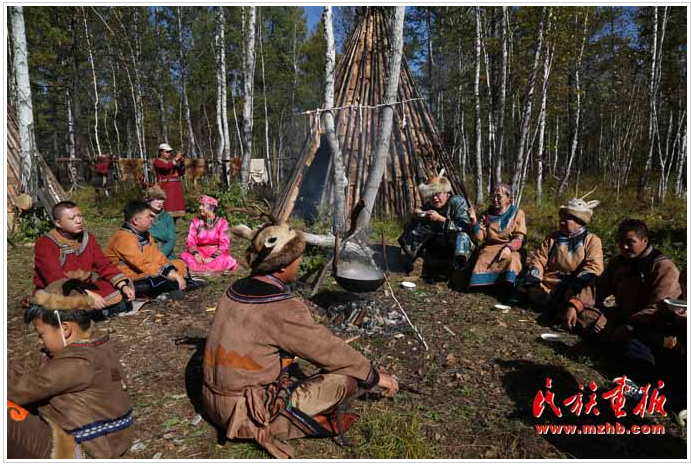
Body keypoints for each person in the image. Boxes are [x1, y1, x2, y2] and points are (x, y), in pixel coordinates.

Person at [203, 221, 399, 459]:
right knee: (347, 379)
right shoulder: (283, 308)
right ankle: (284, 421)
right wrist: (374, 376)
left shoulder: (233, 289)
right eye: (297, 258)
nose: (300, 262)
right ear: (282, 266)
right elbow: (327, 350)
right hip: (245, 412)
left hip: (211, 402)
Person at [7, 279, 133, 459]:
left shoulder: (78, 363)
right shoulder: (92, 347)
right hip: (100, 442)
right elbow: (27, 364)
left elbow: (20, 390)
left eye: (41, 334)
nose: (39, 341)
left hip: (85, 451)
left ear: (65, 329)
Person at [562, 219, 682, 353]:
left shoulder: (663, 267)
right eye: (621, 242)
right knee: (582, 313)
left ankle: (614, 342)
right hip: (622, 317)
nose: (624, 247)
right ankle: (611, 339)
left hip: (647, 323)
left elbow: (661, 307)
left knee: (639, 339)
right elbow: (597, 288)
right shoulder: (618, 263)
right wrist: (575, 305)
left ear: (644, 241)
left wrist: (631, 325)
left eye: (630, 242)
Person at [33, 200, 136, 317]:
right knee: (62, 302)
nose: (79, 221)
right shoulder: (46, 243)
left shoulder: (88, 238)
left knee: (115, 288)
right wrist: (87, 295)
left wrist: (123, 285)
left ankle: (92, 311)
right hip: (60, 290)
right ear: (58, 223)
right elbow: (55, 279)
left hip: (85, 287)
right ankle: (94, 312)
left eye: (80, 216)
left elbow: (104, 265)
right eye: (72, 218)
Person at [522, 196, 604, 311]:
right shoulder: (552, 238)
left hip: (574, 288)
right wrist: (533, 284)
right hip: (548, 285)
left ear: (579, 222)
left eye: (567, 219)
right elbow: (539, 260)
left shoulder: (592, 240)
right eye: (561, 218)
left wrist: (574, 287)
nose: (562, 221)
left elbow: (594, 267)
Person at [104, 200, 197, 301]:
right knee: (152, 280)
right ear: (135, 221)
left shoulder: (145, 234)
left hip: (146, 269)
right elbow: (142, 264)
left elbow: (158, 256)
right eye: (149, 216)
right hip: (129, 275)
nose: (152, 219)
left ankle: (175, 285)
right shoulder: (124, 238)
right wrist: (169, 274)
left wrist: (171, 271)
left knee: (179, 264)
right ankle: (167, 289)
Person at [398, 169, 473, 282]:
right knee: (412, 225)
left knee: (462, 236)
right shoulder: (430, 205)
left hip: (454, 244)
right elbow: (422, 223)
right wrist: (418, 215)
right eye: (431, 195)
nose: (435, 198)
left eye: (438, 194)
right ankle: (415, 260)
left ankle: (459, 272)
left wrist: (440, 219)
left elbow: (465, 227)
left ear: (446, 192)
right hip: (436, 244)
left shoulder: (457, 202)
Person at [467, 184, 527, 299]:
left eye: (499, 197)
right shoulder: (486, 214)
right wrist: (474, 221)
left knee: (512, 259)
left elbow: (520, 236)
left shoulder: (517, 213)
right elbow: (479, 237)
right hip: (490, 247)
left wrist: (509, 248)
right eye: (493, 196)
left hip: (510, 246)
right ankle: (487, 286)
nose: (495, 199)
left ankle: (506, 286)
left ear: (509, 199)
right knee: (483, 260)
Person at [179, 194, 238, 274]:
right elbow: (191, 240)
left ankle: (202, 270)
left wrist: (212, 257)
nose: (200, 208)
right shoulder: (196, 221)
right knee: (185, 257)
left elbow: (224, 244)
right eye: (200, 205)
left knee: (227, 259)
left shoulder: (222, 222)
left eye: (203, 205)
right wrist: (196, 255)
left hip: (216, 255)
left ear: (212, 207)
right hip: (199, 254)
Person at [153, 143, 186, 219]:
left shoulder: (172, 162)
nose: (169, 153)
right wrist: (176, 159)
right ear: (161, 152)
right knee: (167, 210)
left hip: (176, 189)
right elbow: (166, 167)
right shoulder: (157, 162)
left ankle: (173, 224)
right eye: (167, 151)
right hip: (166, 189)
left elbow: (181, 172)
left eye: (170, 152)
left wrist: (181, 162)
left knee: (176, 213)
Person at [145, 185, 177, 259]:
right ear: (149, 200)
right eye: (156, 199)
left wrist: (160, 255)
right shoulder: (143, 216)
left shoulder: (168, 218)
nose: (159, 202)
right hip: (148, 254)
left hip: (166, 255)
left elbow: (172, 240)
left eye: (161, 199)